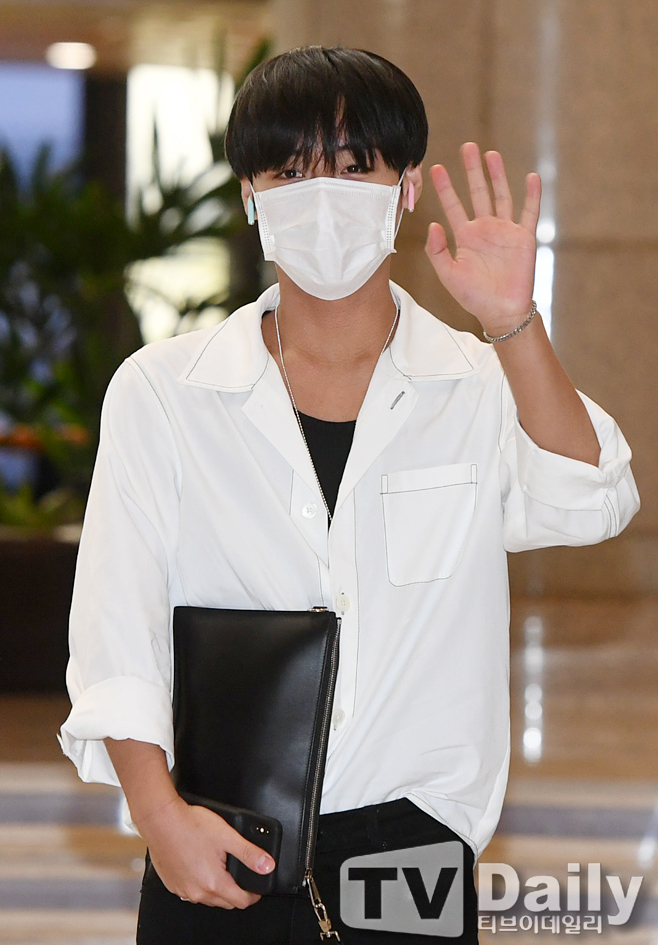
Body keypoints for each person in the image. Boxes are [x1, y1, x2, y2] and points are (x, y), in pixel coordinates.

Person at [59, 46, 639, 944]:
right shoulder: (164, 391)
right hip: (216, 830)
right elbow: (115, 626)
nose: (322, 194)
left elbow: (592, 496)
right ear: (249, 194)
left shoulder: (477, 383)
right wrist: (158, 814)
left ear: (405, 188)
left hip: (412, 850)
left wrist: (513, 325)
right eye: (290, 171)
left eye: (354, 165)